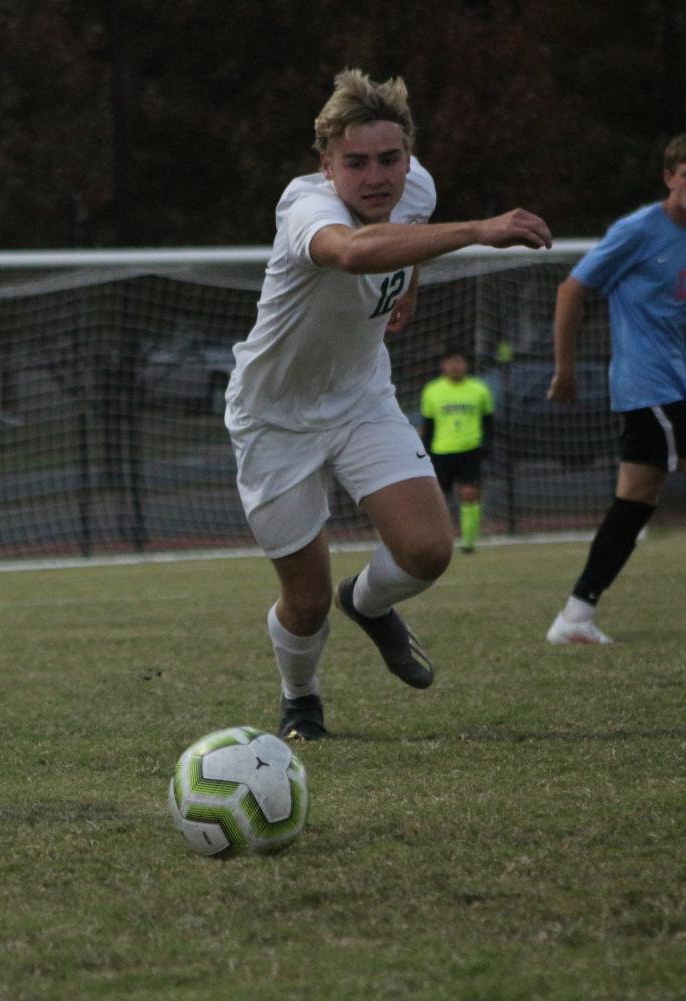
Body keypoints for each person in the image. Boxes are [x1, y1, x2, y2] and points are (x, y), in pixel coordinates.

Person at [223, 68, 552, 740]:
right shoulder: (306, 207)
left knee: (428, 549)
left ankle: (367, 604)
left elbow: (404, 235)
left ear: (406, 155)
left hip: (361, 398)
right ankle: (301, 698)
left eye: (389, 158)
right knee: (304, 602)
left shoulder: (416, 187)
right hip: (273, 418)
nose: (375, 176)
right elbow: (349, 253)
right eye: (355, 162)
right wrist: (481, 230)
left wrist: (410, 288)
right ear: (326, 165)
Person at [544, 134, 686, 646]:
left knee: (635, 499)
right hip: (651, 385)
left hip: (676, 383)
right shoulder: (639, 231)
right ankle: (574, 617)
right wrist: (565, 369)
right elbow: (572, 290)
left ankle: (576, 616)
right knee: (636, 497)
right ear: (670, 177)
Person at [419, 348, 494, 553]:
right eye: (450, 362)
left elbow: (488, 422)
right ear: (443, 366)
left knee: (469, 494)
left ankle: (469, 542)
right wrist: (425, 450)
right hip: (441, 451)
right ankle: (440, 540)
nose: (455, 366)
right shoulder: (432, 391)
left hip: (470, 451)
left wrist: (486, 446)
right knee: (437, 499)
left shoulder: (480, 390)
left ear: (466, 365)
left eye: (459, 361)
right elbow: (429, 424)